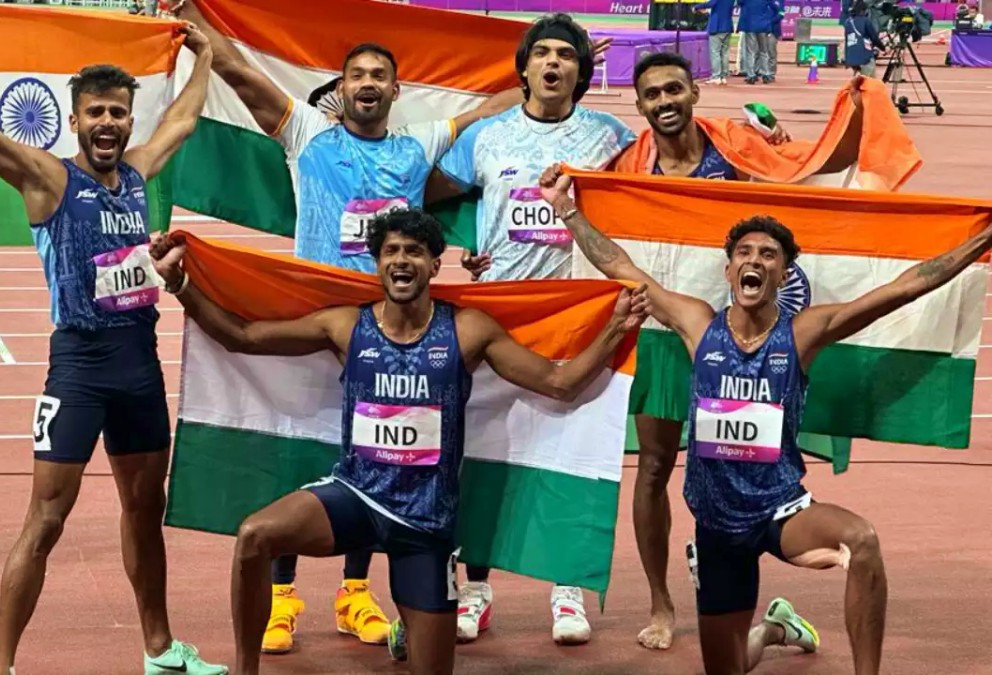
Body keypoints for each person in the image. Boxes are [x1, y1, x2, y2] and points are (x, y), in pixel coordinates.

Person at [176, 1, 599, 653]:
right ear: (341, 88)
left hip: (394, 329)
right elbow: (243, 76)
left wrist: (558, 69)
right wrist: (193, 20)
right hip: (323, 323)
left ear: (396, 91)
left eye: (379, 75)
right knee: (305, 453)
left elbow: (494, 114)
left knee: (381, 454)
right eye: (358, 75)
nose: (368, 83)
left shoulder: (419, 144)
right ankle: (282, 599)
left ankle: (355, 592)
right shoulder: (307, 133)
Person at [0, 1, 227, 673]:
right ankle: (1, 666)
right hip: (79, 369)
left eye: (119, 112)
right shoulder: (47, 178)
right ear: (75, 119)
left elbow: (183, 120)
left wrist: (207, 56)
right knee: (47, 519)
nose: (109, 122)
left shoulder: (138, 174)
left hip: (139, 367)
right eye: (96, 112)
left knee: (146, 509)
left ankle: (160, 650)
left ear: (129, 119)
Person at [149, 207, 647, 675]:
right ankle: (247, 669)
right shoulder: (347, 325)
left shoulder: (467, 330)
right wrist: (180, 284)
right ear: (378, 263)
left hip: (424, 523)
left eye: (414, 251)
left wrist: (615, 329)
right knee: (255, 536)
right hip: (357, 495)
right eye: (391, 251)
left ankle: (408, 626)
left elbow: (559, 384)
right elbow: (243, 336)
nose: (401, 260)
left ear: (434, 265)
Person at [541, 164, 992, 674]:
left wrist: (983, 239)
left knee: (862, 540)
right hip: (716, 524)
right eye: (744, 253)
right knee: (728, 666)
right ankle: (777, 628)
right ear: (729, 271)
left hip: (780, 511)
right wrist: (565, 207)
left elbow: (900, 290)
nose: (754, 260)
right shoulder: (698, 324)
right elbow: (621, 266)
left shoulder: (802, 333)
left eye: (768, 255)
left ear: (783, 274)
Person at [600, 50, 866, 651]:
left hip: (735, 334)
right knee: (653, 467)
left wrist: (849, 113)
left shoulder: (736, 148)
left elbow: (812, 171)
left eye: (674, 89)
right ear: (639, 105)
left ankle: (733, 555)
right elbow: (601, 235)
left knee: (743, 453)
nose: (665, 102)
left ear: (694, 92)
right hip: (667, 329)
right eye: (652, 94)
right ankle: (661, 602)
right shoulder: (628, 165)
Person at [423, 12, 636, 645]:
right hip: (498, 315)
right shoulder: (487, 137)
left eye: (565, 55)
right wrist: (468, 244)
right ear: (523, 68)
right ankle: (475, 588)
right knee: (481, 455)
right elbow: (427, 192)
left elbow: (657, 193)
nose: (552, 63)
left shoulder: (612, 137)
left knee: (570, 454)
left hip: (577, 315)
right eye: (541, 53)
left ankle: (566, 590)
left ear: (581, 71)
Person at [844, 1, 885, 77]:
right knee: (865, 80)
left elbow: (847, 41)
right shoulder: (866, 21)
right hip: (865, 57)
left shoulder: (847, 22)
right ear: (864, 10)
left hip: (851, 57)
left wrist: (847, 60)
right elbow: (874, 38)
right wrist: (883, 48)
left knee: (871, 79)